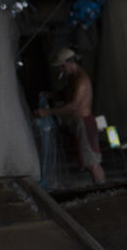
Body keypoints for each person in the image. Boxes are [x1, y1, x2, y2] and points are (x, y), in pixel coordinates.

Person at [34, 48, 106, 185]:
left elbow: (74, 106)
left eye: (62, 65)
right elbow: (65, 95)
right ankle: (99, 185)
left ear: (71, 62)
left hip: (84, 123)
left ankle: (102, 187)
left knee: (92, 162)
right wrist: (49, 95)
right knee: (87, 160)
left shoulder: (81, 80)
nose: (61, 69)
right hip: (78, 123)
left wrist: (47, 112)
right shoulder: (73, 78)